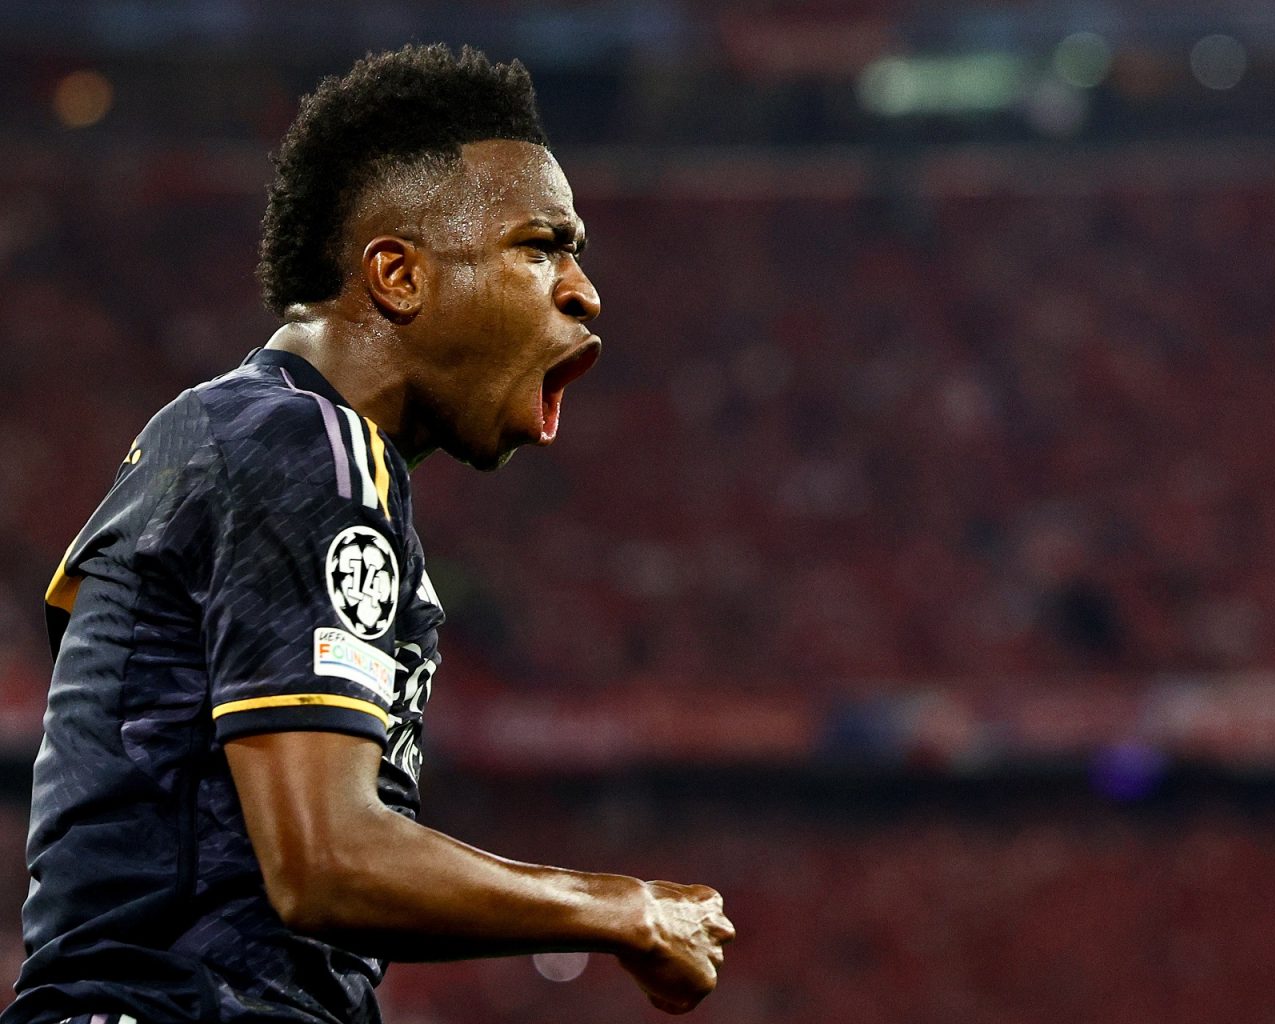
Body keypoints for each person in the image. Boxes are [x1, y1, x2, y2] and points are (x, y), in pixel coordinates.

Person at [3, 44, 733, 1024]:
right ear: (397, 274)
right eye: (540, 246)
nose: (582, 290)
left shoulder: (246, 440)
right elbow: (327, 860)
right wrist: (624, 910)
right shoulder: (305, 444)